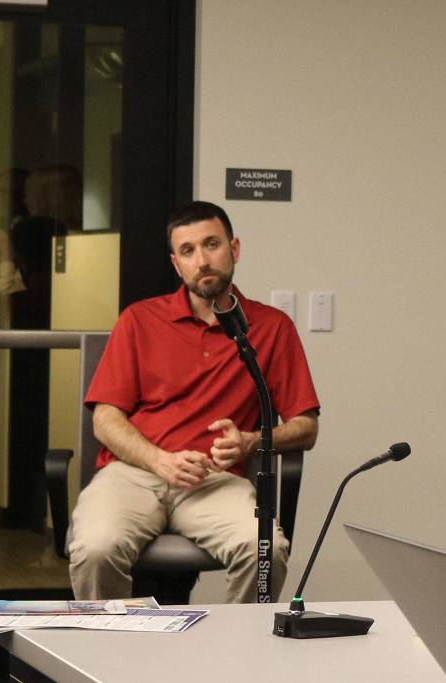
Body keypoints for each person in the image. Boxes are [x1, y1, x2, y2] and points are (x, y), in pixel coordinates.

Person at [68, 201, 320, 603]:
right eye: (188, 251)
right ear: (176, 263)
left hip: (212, 482)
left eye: (212, 244)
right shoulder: (140, 319)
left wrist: (251, 441)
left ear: (234, 249)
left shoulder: (271, 328)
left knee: (265, 551)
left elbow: (306, 426)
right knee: (97, 548)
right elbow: (105, 419)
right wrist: (159, 460)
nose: (202, 260)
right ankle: (108, 657)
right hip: (134, 473)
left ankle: (236, 659)